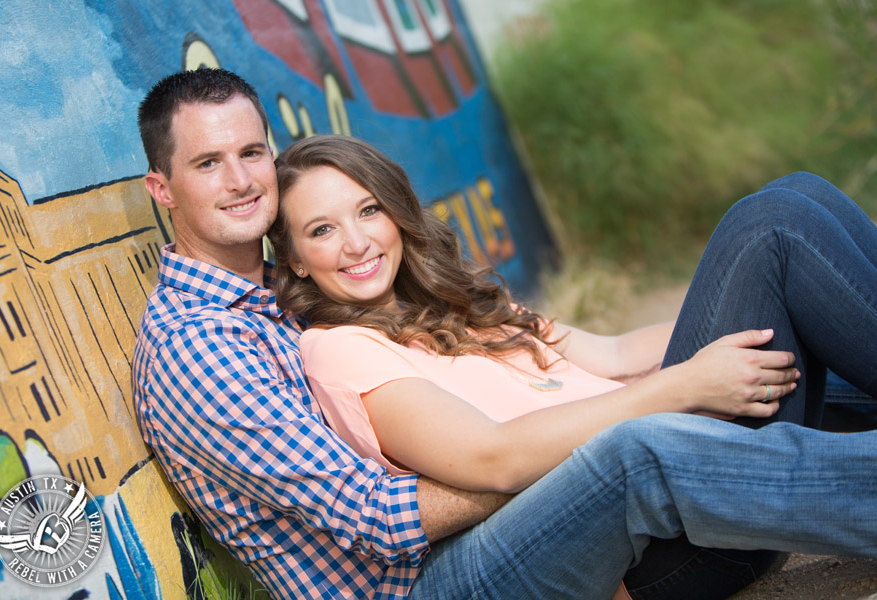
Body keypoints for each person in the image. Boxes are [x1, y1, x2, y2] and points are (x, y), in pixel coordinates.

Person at [131, 68, 877, 600]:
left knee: (787, 212)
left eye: (251, 152)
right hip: (438, 579)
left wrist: (655, 387)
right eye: (206, 163)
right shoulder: (207, 346)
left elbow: (603, 356)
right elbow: (385, 515)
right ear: (162, 188)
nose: (239, 180)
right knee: (638, 443)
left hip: (525, 515)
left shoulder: (278, 302)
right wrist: (653, 406)